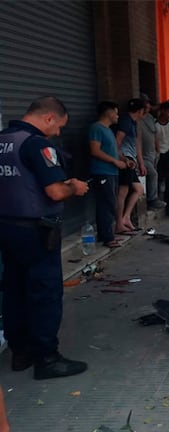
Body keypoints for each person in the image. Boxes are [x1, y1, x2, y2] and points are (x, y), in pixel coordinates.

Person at [0, 96, 89, 380]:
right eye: (60, 126)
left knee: (14, 289)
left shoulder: (4, 139)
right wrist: (74, 187)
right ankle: (46, 358)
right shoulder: (36, 144)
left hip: (7, 226)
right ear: (49, 117)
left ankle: (21, 352)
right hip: (36, 230)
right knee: (45, 292)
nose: (59, 133)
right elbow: (54, 191)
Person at [89, 101, 127, 249]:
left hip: (112, 171)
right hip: (102, 171)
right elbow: (95, 150)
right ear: (109, 112)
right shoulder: (96, 128)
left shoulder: (108, 130)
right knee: (107, 203)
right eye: (116, 113)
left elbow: (113, 150)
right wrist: (115, 162)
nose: (117, 116)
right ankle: (107, 237)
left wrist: (124, 159)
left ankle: (107, 233)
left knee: (111, 202)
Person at [114, 98, 145, 234]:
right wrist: (123, 159)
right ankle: (119, 223)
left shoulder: (132, 122)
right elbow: (117, 142)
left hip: (130, 160)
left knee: (138, 189)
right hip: (125, 160)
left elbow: (136, 144)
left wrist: (139, 161)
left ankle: (125, 218)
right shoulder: (126, 122)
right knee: (122, 192)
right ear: (140, 111)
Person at [139, 99, 165, 210]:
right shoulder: (137, 120)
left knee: (154, 176)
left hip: (152, 154)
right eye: (145, 108)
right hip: (142, 156)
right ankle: (152, 199)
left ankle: (153, 199)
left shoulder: (149, 118)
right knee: (153, 174)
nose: (147, 110)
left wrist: (157, 149)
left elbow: (154, 134)